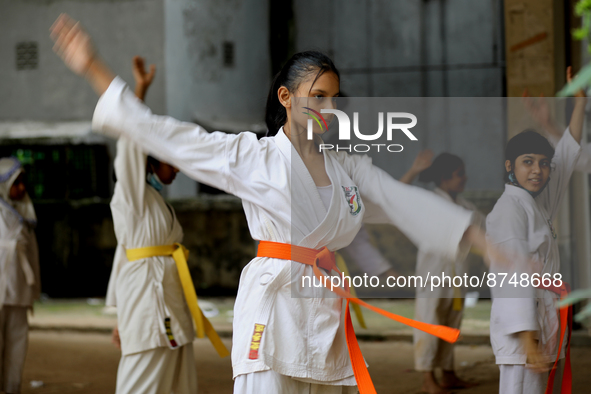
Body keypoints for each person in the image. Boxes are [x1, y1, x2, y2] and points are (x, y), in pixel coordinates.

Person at [51, 14, 500, 393]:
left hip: (324, 308)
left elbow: (403, 201)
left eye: (334, 99)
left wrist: (483, 241)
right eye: (317, 96)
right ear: (286, 98)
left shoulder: (348, 168)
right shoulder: (255, 156)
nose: (328, 107)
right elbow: (167, 135)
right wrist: (93, 67)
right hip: (273, 310)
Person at [486, 69, 585, 394]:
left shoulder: (537, 201)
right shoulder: (509, 209)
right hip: (523, 333)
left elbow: (568, 158)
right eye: (527, 162)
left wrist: (578, 105)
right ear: (509, 166)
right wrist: (527, 339)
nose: (538, 171)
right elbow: (511, 275)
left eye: (543, 163)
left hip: (540, 320)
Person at [105, 55, 198, 394]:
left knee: (179, 385)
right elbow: (131, 142)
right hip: (149, 307)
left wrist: (118, 314)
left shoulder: (152, 199)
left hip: (169, 307)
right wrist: (140, 90)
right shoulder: (130, 193)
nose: (178, 168)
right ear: (152, 158)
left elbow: (124, 255)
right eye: (171, 160)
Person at [401, 150, 483, 393]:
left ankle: (448, 374)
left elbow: (489, 230)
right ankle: (428, 379)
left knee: (451, 325)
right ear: (444, 179)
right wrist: (414, 171)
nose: (465, 178)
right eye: (460, 175)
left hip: (457, 278)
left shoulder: (467, 208)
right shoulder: (428, 202)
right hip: (433, 277)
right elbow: (396, 197)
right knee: (429, 323)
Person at [0, 157, 41, 394]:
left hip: (19, 290)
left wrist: (32, 289)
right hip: (1, 288)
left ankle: (11, 387)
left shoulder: (25, 214)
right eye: (17, 183)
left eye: (23, 182)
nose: (22, 188)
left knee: (17, 343)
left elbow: (33, 256)